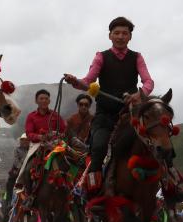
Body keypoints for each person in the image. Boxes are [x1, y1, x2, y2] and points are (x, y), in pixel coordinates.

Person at [64, 16, 154, 193]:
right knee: (98, 148)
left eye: (125, 33)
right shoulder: (101, 57)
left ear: (130, 37)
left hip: (129, 116)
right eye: (117, 33)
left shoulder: (137, 57)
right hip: (105, 116)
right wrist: (75, 81)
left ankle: (169, 186)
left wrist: (139, 94)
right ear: (110, 36)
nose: (120, 36)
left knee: (155, 145)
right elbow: (88, 81)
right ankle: (92, 190)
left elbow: (148, 82)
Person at [5, 134, 30, 208]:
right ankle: (9, 200)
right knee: (10, 182)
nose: (24, 142)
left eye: (26, 140)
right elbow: (16, 161)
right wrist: (20, 168)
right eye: (22, 140)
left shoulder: (31, 149)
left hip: (29, 168)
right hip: (17, 169)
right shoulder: (17, 149)